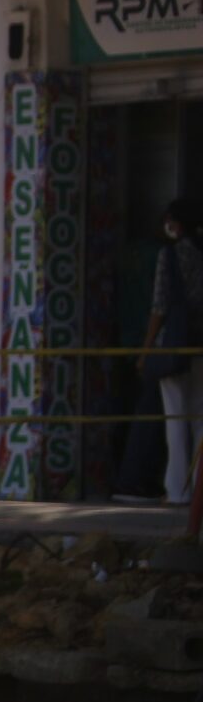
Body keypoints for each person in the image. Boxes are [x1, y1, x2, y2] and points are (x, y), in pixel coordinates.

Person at [145, 198, 203, 505]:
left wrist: (146, 348)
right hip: (200, 346)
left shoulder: (169, 256)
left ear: (175, 223)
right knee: (199, 418)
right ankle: (199, 488)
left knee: (176, 418)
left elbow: (159, 306)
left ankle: (178, 491)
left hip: (174, 345)